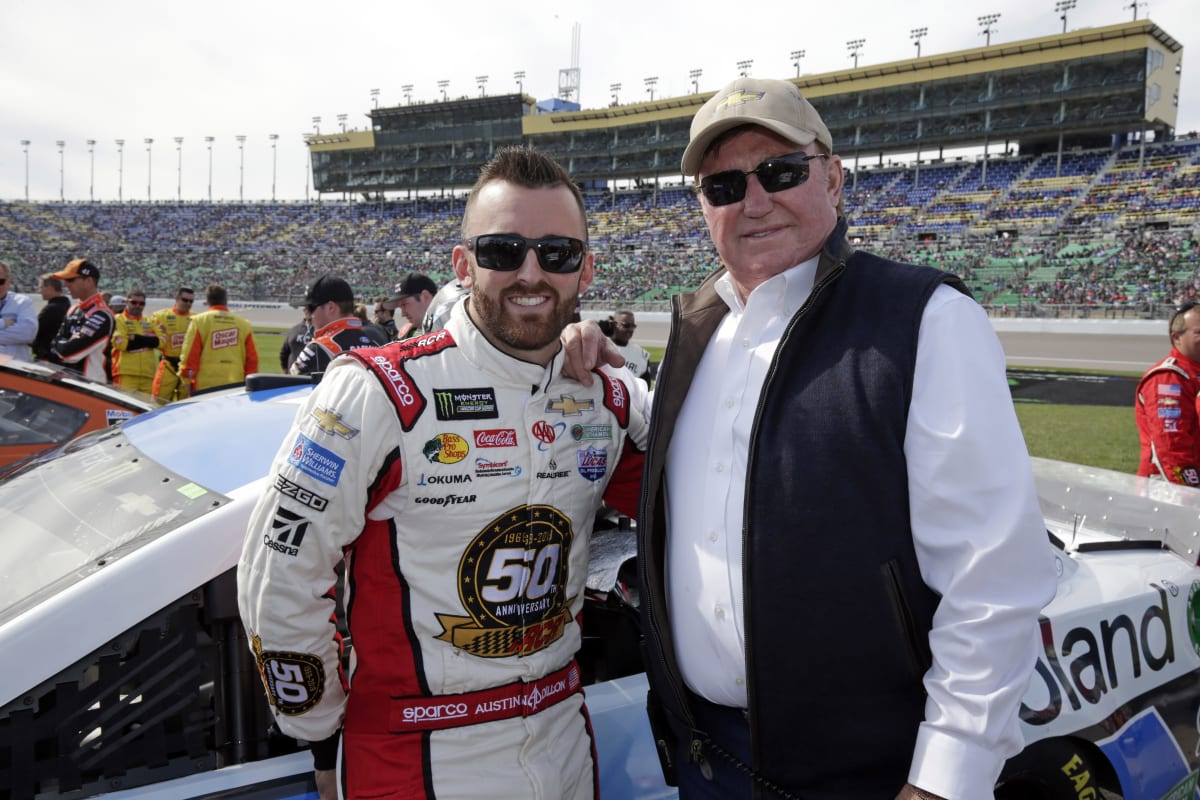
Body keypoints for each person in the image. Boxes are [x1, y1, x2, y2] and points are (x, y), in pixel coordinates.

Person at [565, 77, 1057, 800]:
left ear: (832, 176)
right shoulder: (700, 326)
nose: (754, 200)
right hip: (710, 761)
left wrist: (948, 776)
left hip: (874, 774)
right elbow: (716, 455)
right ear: (704, 208)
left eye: (781, 172)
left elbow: (995, 577)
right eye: (726, 185)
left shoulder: (927, 317)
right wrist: (600, 357)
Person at [237, 146, 649, 800]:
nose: (531, 273)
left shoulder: (607, 397)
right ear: (462, 265)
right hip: (415, 754)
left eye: (558, 253)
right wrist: (317, 727)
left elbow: (701, 487)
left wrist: (619, 361)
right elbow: (279, 570)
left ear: (586, 271)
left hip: (563, 738)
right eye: (503, 250)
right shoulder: (379, 392)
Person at [1135, 300, 1200, 484]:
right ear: (1176, 338)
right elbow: (1171, 444)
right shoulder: (1168, 377)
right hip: (1166, 489)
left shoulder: (1194, 374)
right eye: (1199, 332)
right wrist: (1191, 492)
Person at [289, 275, 387, 376]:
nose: (309, 315)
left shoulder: (319, 348)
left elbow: (293, 388)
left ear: (331, 307)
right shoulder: (376, 342)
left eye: (310, 308)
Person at [179, 284, 258, 393]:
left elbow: (190, 354)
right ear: (226, 300)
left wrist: (187, 379)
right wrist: (249, 383)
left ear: (207, 300)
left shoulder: (199, 321)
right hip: (235, 383)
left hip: (205, 385)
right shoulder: (243, 324)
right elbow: (252, 359)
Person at [48, 258, 115, 382]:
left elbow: (69, 353)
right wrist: (62, 343)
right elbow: (53, 345)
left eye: (70, 280)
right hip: (66, 381)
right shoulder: (74, 309)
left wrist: (61, 344)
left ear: (88, 281)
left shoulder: (102, 314)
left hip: (91, 388)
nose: (66, 284)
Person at [150, 287, 196, 402]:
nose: (188, 304)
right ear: (176, 298)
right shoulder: (160, 316)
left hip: (187, 367)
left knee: (187, 403)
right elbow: (153, 341)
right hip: (168, 364)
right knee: (158, 400)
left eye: (191, 301)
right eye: (185, 300)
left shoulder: (196, 319)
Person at [109, 289, 160, 393]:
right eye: (134, 302)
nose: (137, 305)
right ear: (126, 302)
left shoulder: (150, 321)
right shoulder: (118, 319)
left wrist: (135, 338)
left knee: (146, 408)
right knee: (123, 407)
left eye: (141, 303)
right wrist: (149, 341)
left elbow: (161, 342)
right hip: (125, 373)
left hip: (148, 374)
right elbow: (122, 344)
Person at [382, 271, 438, 339]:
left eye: (404, 304)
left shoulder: (452, 329)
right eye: (400, 307)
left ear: (425, 297)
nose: (403, 314)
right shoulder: (406, 335)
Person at [0, 260, 38, 361]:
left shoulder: (22, 301)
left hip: (14, 368)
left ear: (9, 281)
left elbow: (27, 333)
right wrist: (4, 323)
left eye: (0, 282)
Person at [32, 273, 70, 361]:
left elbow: (33, 330)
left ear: (50, 287)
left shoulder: (52, 309)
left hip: (47, 358)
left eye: (41, 287)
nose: (39, 291)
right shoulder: (66, 305)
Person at [607, 309, 651, 380]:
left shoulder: (641, 354)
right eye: (626, 325)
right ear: (614, 325)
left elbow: (645, 386)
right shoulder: (600, 346)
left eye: (633, 326)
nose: (630, 329)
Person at [279, 306, 313, 372]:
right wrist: (286, 370)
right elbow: (284, 352)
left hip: (313, 377)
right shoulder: (295, 329)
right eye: (306, 309)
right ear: (304, 310)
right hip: (294, 375)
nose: (307, 311)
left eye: (311, 309)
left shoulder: (323, 330)